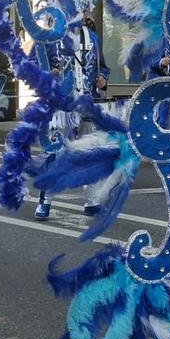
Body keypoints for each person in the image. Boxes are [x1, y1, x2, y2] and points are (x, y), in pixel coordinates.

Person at [35, 14, 110, 220]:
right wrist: (49, 73)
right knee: (56, 152)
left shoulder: (92, 38)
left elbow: (102, 67)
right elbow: (33, 65)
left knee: (92, 151)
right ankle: (45, 201)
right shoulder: (50, 37)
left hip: (87, 102)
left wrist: (102, 78)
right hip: (61, 105)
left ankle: (91, 201)